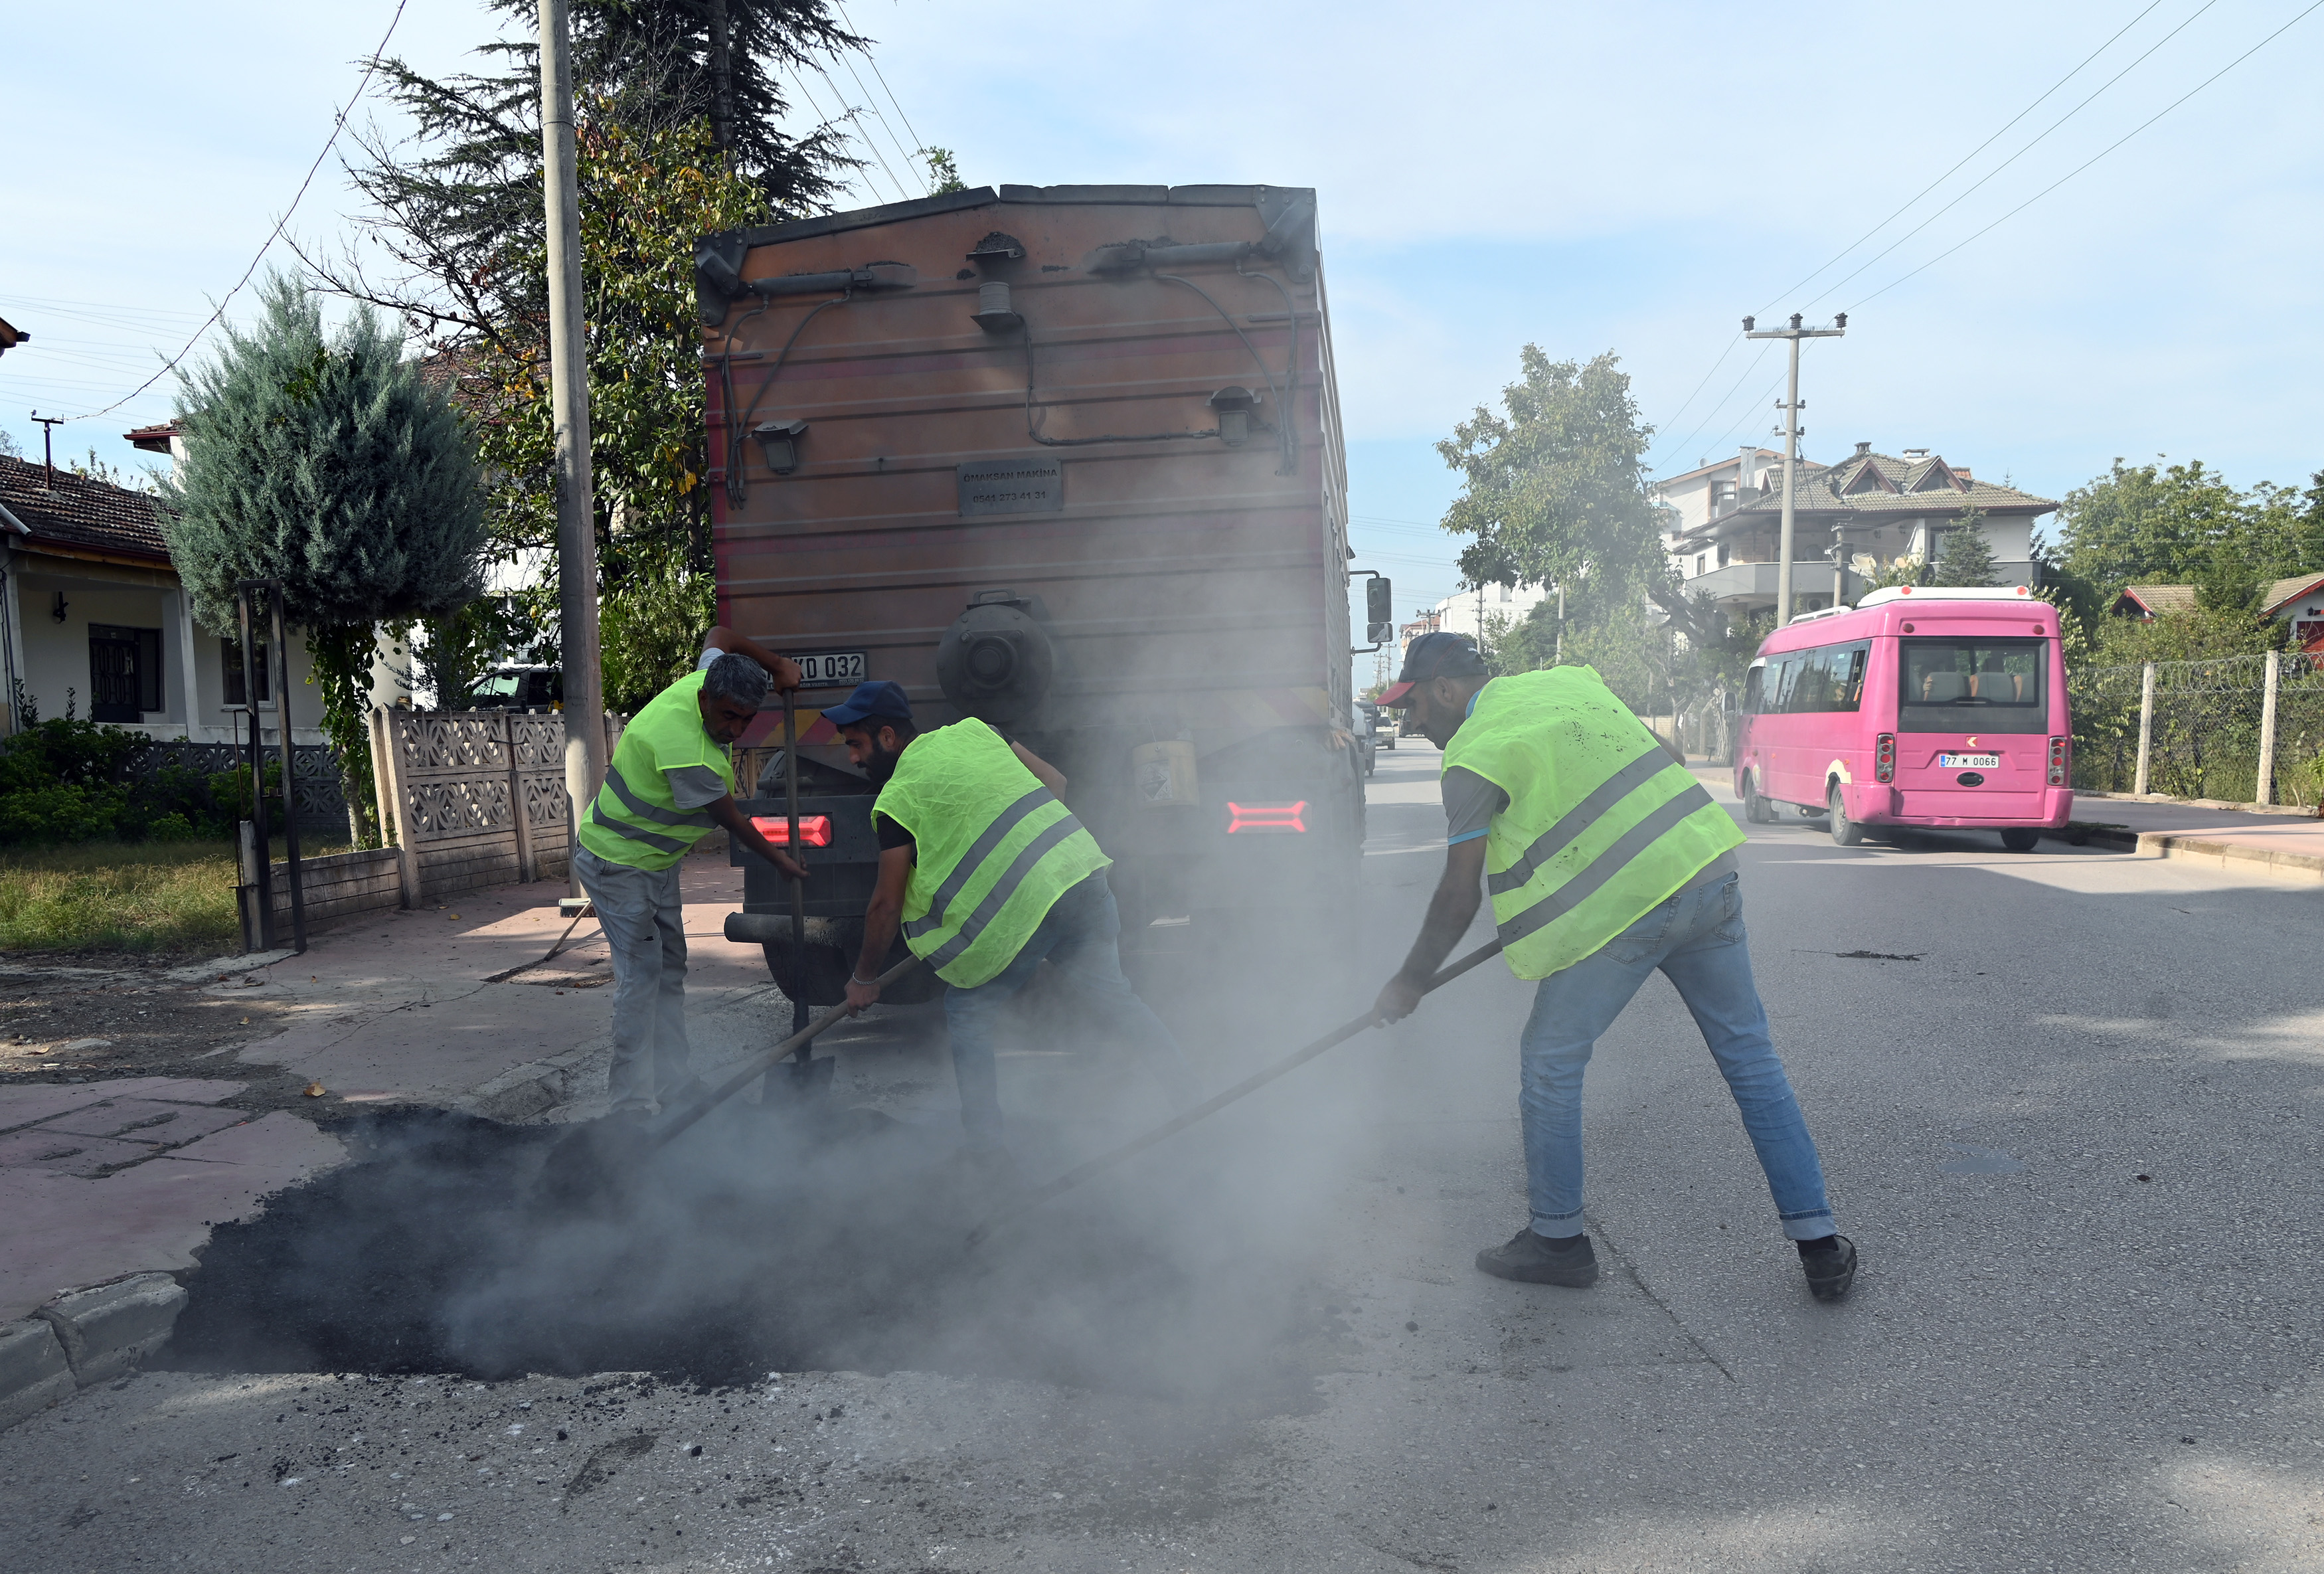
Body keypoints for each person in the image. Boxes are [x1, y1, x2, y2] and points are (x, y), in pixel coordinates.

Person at [1370, 633, 1855, 1301]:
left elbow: (1459, 893)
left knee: (1549, 1063)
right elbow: (1670, 758)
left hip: (1621, 916)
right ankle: (1820, 1247)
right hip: (1705, 880)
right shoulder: (1568, 683)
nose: (1413, 722)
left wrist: (1409, 981)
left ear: (1446, 689)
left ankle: (1557, 1241)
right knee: (1750, 1060)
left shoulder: (1471, 756)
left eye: (1415, 705)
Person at [825, 681, 1199, 1164]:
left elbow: (885, 906)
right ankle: (1192, 1099)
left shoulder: (897, 800)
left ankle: (987, 1151)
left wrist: (862, 979)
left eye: (856, 745)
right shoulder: (978, 732)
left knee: (967, 1014)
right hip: (1082, 880)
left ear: (889, 737)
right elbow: (1056, 784)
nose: (852, 759)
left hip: (1027, 914)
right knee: (1119, 1000)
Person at [572, 628, 809, 1118]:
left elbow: (721, 633)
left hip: (655, 862)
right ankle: (630, 1106)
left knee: (670, 971)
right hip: (617, 863)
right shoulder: (689, 752)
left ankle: (675, 1084)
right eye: (727, 717)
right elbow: (732, 821)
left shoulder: (708, 676)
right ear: (704, 699)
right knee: (641, 978)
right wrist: (782, 861)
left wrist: (776, 661)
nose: (735, 730)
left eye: (746, 720)